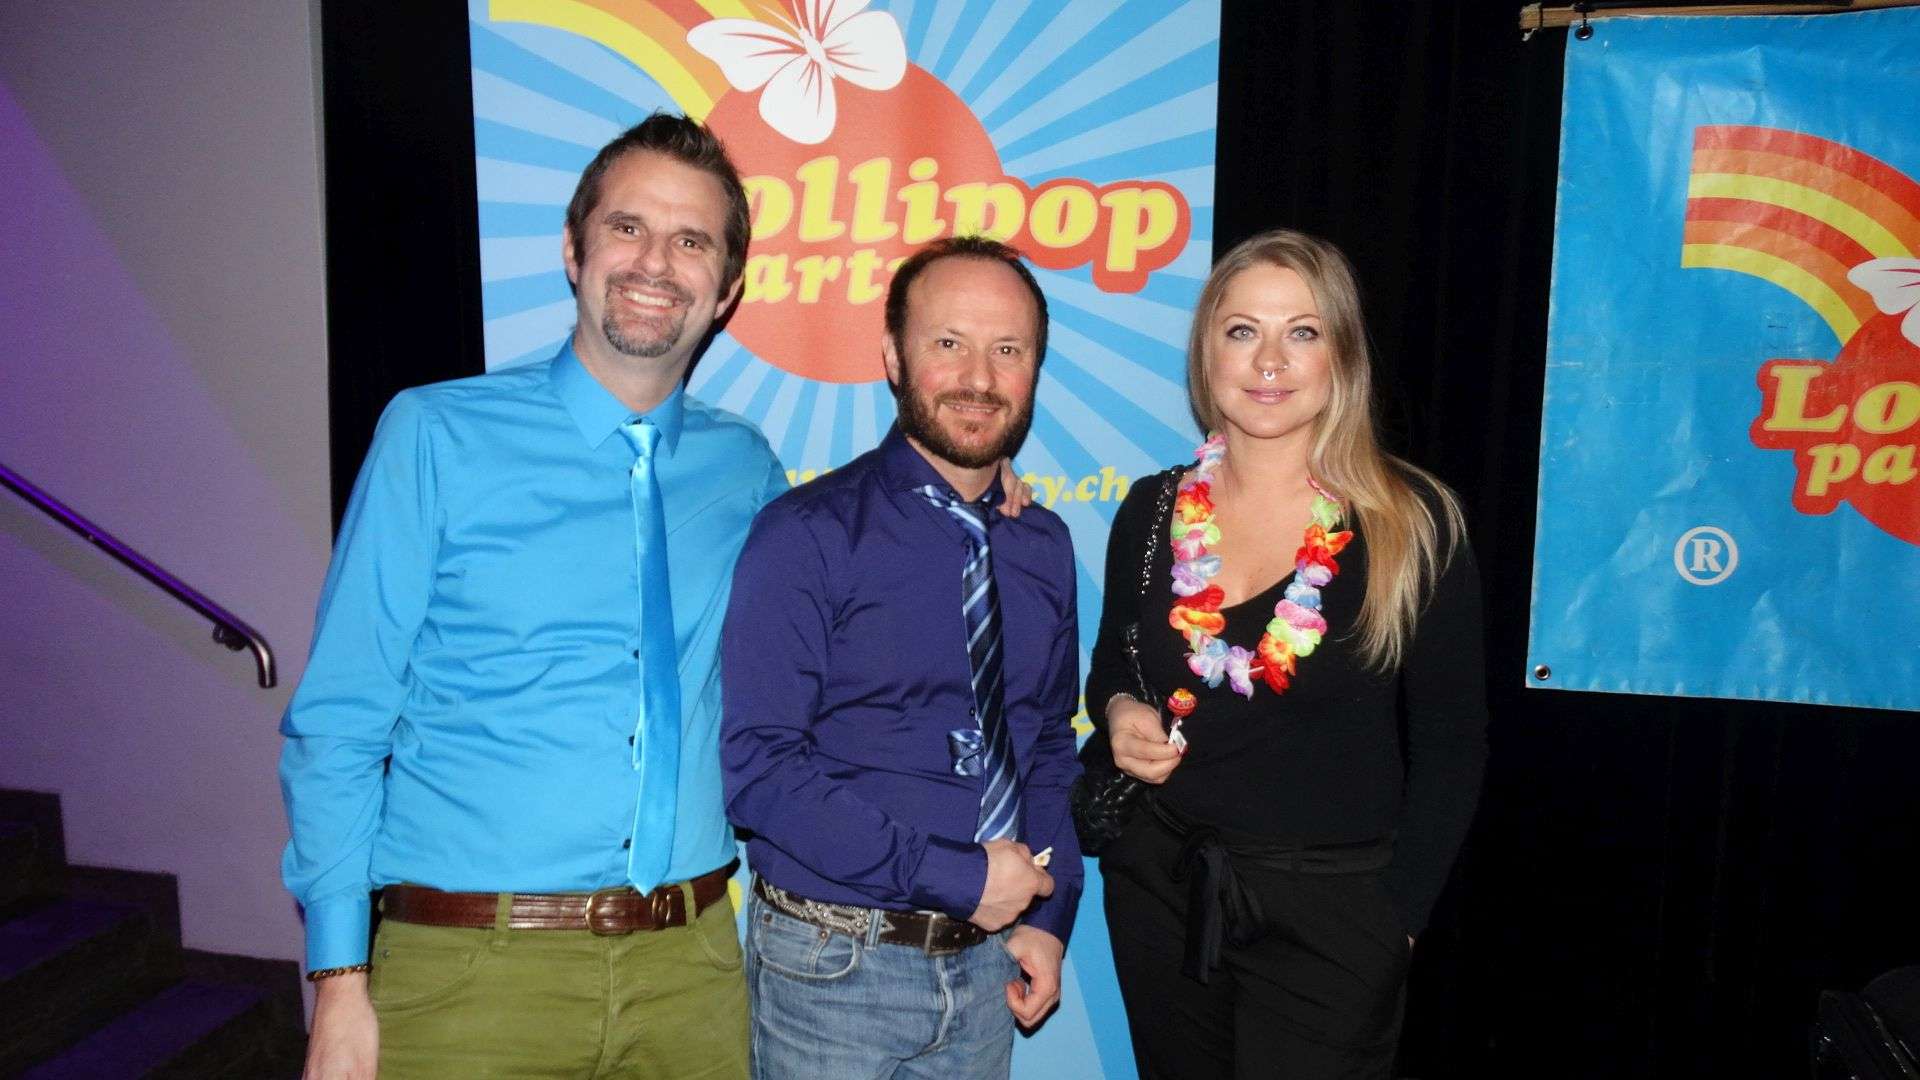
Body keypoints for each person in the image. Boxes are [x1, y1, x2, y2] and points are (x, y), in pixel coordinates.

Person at [280, 113, 782, 1080]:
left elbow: (837, 621)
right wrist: (338, 977)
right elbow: (340, 719)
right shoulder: (434, 436)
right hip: (469, 976)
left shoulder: (747, 469)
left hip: (692, 973)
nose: (655, 263)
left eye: (692, 241)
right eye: (627, 227)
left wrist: (975, 489)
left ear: (726, 289)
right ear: (572, 249)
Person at [1088, 228, 1488, 1078]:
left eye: (1302, 331)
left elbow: (1454, 747)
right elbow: (1115, 665)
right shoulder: (1151, 510)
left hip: (1335, 919)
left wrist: (1397, 924)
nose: (1269, 360)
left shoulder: (1413, 524)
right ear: (1207, 353)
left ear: (1342, 353)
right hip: (1164, 892)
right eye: (1243, 331)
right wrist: (1121, 711)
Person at [720, 236, 1084, 1080]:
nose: (979, 378)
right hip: (830, 968)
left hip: (988, 967)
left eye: (1008, 350)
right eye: (948, 343)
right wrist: (955, 877)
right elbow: (760, 770)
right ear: (892, 356)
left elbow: (1047, 746)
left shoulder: (1044, 544)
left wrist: (1049, 914)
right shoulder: (808, 533)